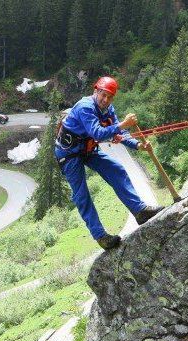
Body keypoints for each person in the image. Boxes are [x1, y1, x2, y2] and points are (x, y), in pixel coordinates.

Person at [54, 76, 164, 250]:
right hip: (68, 154)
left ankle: (140, 211)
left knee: (116, 169)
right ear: (95, 91)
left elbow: (119, 134)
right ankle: (101, 236)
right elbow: (98, 133)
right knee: (82, 195)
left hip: (87, 150)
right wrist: (122, 124)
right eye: (103, 95)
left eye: (109, 97)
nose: (105, 100)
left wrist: (138, 145)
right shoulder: (85, 107)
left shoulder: (108, 110)